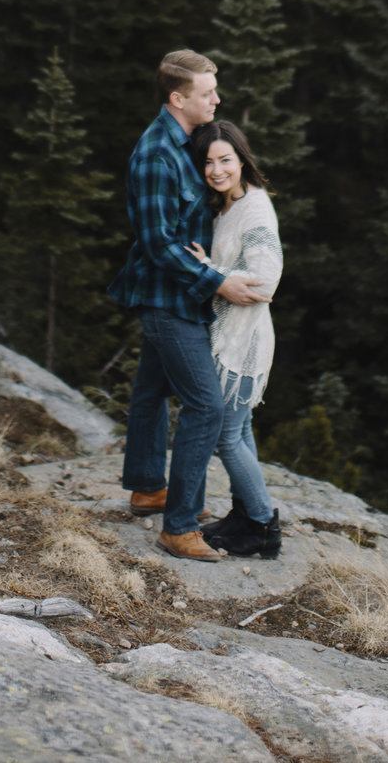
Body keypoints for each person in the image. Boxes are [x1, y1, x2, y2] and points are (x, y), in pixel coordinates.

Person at [105, 49, 270, 564]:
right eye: (207, 93)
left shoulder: (185, 145)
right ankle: (178, 527)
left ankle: (150, 487)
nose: (217, 99)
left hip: (178, 293)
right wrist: (218, 283)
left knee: (151, 392)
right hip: (169, 298)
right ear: (178, 99)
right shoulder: (157, 154)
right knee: (207, 407)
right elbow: (156, 242)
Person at [187, 119, 283, 558]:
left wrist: (213, 271)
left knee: (227, 434)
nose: (216, 169)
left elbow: (265, 281)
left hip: (242, 344)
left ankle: (263, 524)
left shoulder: (256, 209)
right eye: (208, 162)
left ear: (243, 159)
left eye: (225, 159)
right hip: (233, 337)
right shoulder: (227, 205)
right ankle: (246, 513)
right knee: (239, 429)